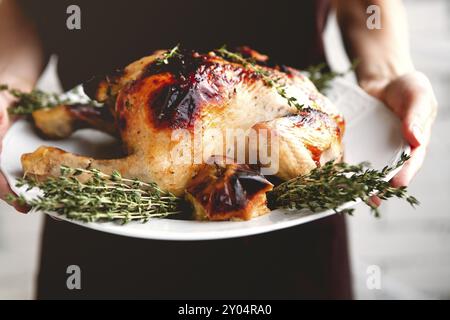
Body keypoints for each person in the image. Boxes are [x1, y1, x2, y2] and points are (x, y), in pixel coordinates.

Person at [0, 0, 437, 299]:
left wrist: (387, 72)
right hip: (97, 248)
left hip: (294, 242)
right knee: (178, 161)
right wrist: (8, 85)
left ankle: (78, 118)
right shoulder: (296, 116)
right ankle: (69, 139)